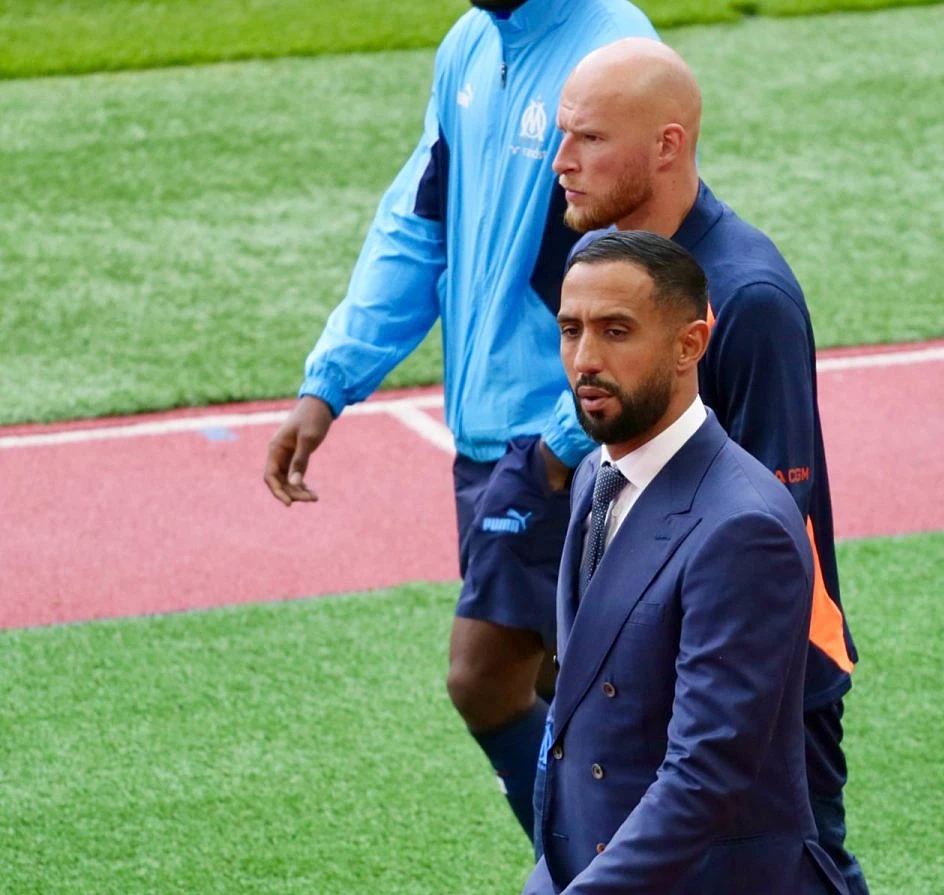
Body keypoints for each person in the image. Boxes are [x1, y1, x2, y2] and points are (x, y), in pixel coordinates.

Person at [261, 0, 657, 844]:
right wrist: (330, 382)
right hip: (488, 440)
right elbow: (418, 226)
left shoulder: (613, 51)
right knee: (566, 687)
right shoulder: (470, 46)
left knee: (486, 679)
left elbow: (646, 273)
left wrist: (561, 444)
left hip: (567, 437)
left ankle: (605, 870)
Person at [550, 38, 868, 891]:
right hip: (652, 661)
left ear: (667, 145)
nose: (562, 161)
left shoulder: (748, 298)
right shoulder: (606, 262)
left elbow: (766, 521)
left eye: (589, 138)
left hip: (760, 677)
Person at [523, 230, 849, 894]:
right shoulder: (594, 478)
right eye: (571, 330)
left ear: (690, 344)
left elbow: (705, 774)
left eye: (617, 331)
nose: (585, 359)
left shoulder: (744, 528)